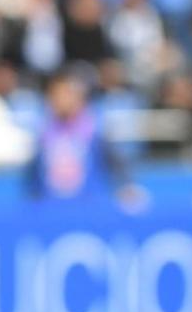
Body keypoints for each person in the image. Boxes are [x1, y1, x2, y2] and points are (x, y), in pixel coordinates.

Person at [23, 67, 145, 209]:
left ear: (78, 97)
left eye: (65, 94)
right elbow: (34, 177)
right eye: (54, 95)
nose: (59, 100)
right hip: (52, 209)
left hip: (90, 209)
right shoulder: (44, 131)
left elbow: (118, 166)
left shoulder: (96, 130)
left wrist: (127, 189)